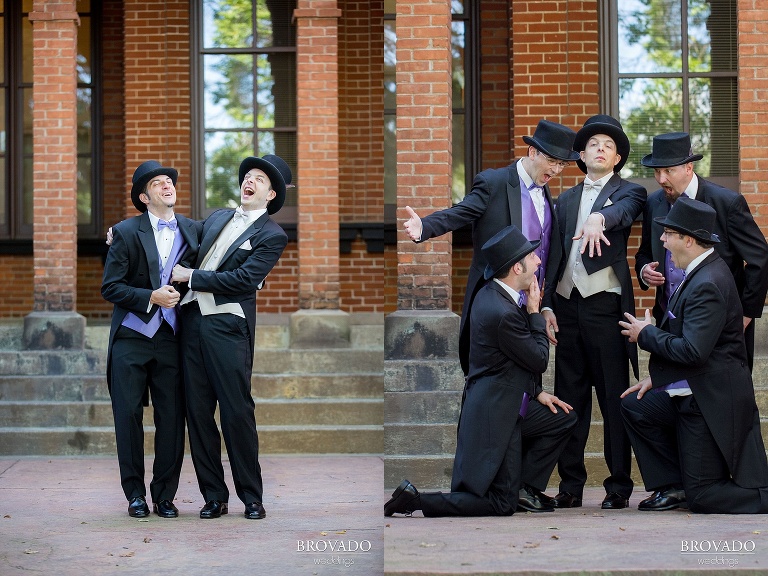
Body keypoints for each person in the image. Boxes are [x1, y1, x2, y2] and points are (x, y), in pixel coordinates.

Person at [384, 225, 577, 517]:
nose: (539, 261)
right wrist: (536, 314)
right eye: (533, 256)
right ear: (516, 267)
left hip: (506, 400)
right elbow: (538, 359)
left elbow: (505, 360)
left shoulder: (492, 295)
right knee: (501, 504)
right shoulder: (503, 313)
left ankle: (524, 489)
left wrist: (536, 393)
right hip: (495, 414)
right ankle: (417, 500)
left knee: (562, 419)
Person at [620, 197, 768, 514]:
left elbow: (693, 351)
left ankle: (758, 497)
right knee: (635, 406)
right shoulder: (702, 272)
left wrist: (645, 334)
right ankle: (673, 487)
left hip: (710, 401)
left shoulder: (708, 283)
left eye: (668, 233)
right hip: (691, 387)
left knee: (702, 497)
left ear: (687, 239)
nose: (662, 240)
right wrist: (657, 378)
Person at [403, 119, 580, 375]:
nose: (557, 169)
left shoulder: (545, 193)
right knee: (494, 378)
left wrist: (544, 304)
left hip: (531, 303)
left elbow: (549, 250)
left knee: (529, 373)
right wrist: (425, 226)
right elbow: (461, 212)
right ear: (533, 152)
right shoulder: (493, 182)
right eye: (552, 161)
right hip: (498, 303)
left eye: (562, 164)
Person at [171, 154, 291, 520]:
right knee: (198, 413)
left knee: (237, 412)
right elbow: (174, 228)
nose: (248, 181)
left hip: (228, 327)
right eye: (247, 176)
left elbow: (243, 281)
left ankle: (251, 497)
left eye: (258, 178)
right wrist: (121, 230)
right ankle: (214, 496)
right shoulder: (219, 217)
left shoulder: (273, 235)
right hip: (191, 324)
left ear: (270, 194)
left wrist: (190, 276)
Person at [550, 115, 645, 510]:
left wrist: (599, 216)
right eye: (593, 144)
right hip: (566, 306)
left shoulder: (631, 192)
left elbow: (624, 212)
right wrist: (544, 305)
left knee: (613, 399)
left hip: (606, 308)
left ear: (618, 156)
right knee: (569, 399)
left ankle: (619, 485)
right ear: (582, 155)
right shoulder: (566, 198)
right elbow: (551, 251)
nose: (600, 148)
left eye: (608, 144)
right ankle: (571, 485)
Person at [101, 160, 200, 518]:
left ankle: (164, 495)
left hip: (173, 337)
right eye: (157, 183)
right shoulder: (126, 232)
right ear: (144, 197)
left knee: (171, 418)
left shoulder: (194, 230)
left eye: (169, 181)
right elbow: (110, 287)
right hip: (131, 336)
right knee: (127, 416)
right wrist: (150, 297)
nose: (167, 186)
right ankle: (135, 495)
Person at [635, 132, 768, 371]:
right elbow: (644, 252)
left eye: (668, 171)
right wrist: (645, 271)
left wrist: (746, 314)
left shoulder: (727, 202)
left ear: (688, 167)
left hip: (722, 325)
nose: (661, 178)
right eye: (656, 172)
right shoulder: (653, 203)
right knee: (671, 396)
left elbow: (760, 258)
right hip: (669, 321)